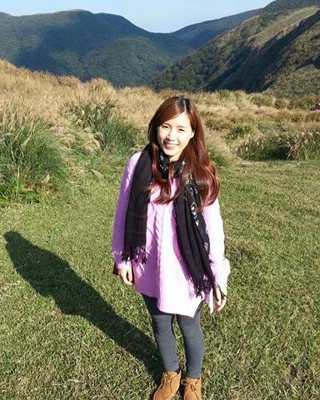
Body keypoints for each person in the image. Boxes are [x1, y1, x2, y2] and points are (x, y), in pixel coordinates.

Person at [111, 96, 230, 400]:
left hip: (187, 271)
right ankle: (170, 373)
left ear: (192, 133)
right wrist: (122, 258)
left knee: (189, 327)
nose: (171, 136)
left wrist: (217, 274)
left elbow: (213, 227)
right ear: (155, 127)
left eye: (180, 129)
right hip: (148, 265)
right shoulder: (138, 164)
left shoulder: (201, 173)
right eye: (165, 126)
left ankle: (192, 379)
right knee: (159, 323)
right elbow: (123, 213)